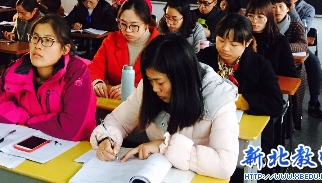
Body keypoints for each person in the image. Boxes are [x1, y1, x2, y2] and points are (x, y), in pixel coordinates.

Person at [91, 33, 238, 180]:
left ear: (180, 78)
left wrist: (164, 146)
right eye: (150, 80)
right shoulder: (149, 89)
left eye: (160, 82)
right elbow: (118, 120)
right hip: (156, 173)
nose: (155, 88)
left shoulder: (218, 97)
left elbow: (225, 164)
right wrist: (107, 139)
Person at [0, 15, 97, 141]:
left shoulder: (76, 73)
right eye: (35, 37)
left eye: (47, 40)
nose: (38, 45)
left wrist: (30, 121)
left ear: (65, 49)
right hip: (28, 139)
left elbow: (73, 128)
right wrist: (22, 117)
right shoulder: (18, 70)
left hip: (74, 147)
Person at [198, 13, 283, 155]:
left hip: (244, 130)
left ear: (247, 43)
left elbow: (275, 104)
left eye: (234, 44)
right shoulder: (203, 58)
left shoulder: (260, 65)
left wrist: (236, 101)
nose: (225, 48)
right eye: (221, 40)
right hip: (206, 126)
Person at [89, 0, 159, 99]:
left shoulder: (160, 46)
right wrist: (97, 81)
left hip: (145, 102)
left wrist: (134, 89)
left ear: (146, 24)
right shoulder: (111, 40)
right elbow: (96, 65)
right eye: (123, 24)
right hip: (113, 102)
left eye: (134, 26)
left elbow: (164, 82)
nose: (127, 30)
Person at [282, 0, 322, 119]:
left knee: (314, 63)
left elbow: (304, 31)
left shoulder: (308, 9)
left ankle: (314, 101)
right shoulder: (276, 4)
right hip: (276, 42)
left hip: (297, 45)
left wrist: (292, 9)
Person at [269, 0, 307, 130]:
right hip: (271, 67)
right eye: (273, 7)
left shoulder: (295, 25)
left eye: (281, 6)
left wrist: (281, 46)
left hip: (293, 68)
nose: (277, 10)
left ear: (288, 8)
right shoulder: (265, 24)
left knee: (293, 102)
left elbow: (303, 46)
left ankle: (291, 125)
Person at [245, 0, 297, 78]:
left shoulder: (280, 40)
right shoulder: (241, 37)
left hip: (271, 82)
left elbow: (290, 74)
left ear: (268, 18)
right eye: (250, 16)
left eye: (260, 17)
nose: (254, 21)